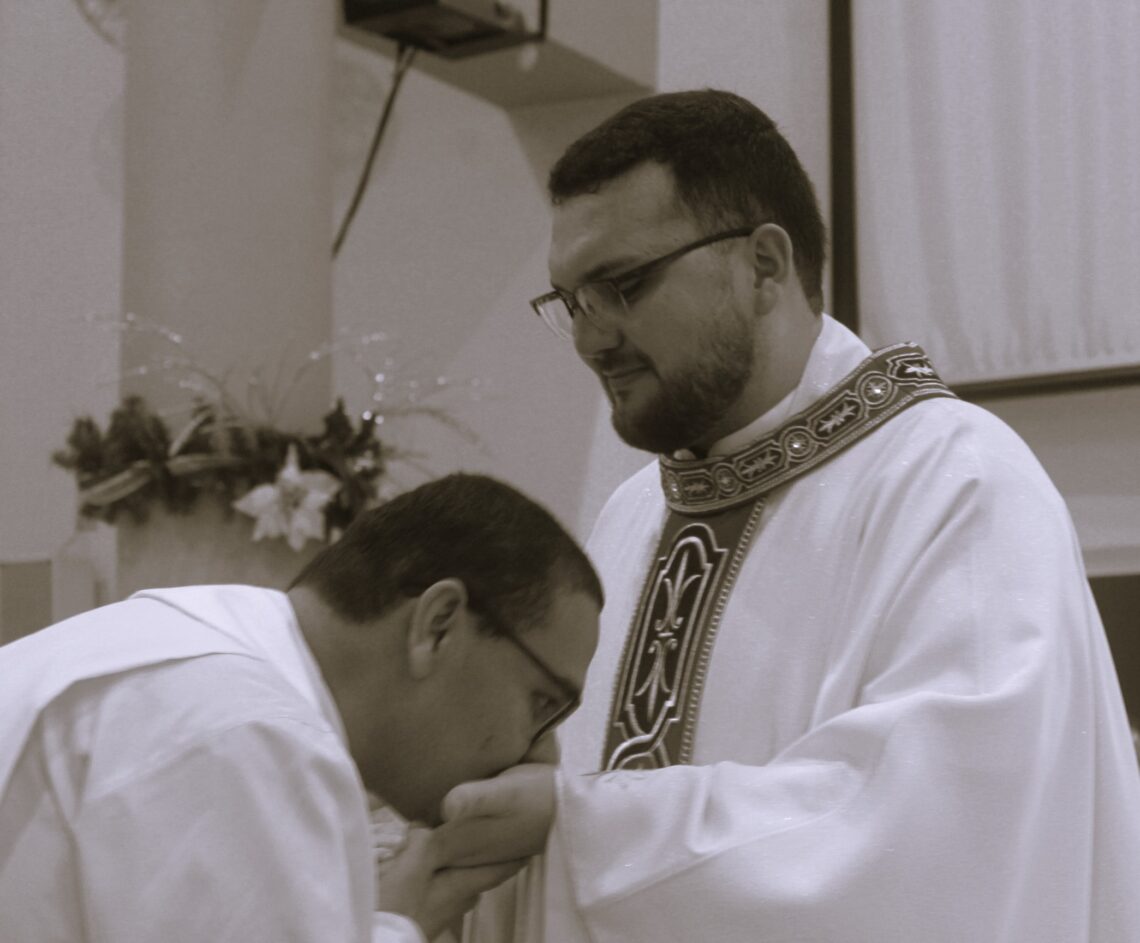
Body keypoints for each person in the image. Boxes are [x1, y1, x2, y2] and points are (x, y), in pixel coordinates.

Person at [440, 90, 1140, 941]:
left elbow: (936, 839)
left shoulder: (960, 483)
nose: (591, 339)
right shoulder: (632, 513)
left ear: (765, 264)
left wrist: (578, 829)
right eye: (571, 301)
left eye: (621, 287)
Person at [0, 473, 603, 943]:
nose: (542, 755)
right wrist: (399, 924)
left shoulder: (197, 651)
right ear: (439, 625)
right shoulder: (251, 731)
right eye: (542, 705)